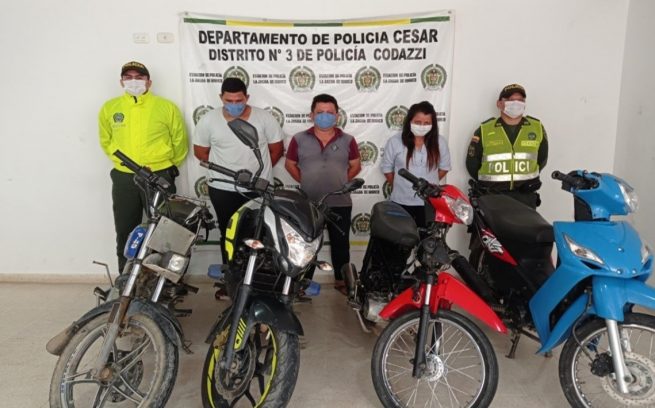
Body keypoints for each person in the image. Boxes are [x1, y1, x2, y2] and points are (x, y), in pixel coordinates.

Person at [99, 61, 188, 272]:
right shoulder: (110, 108)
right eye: (128, 77)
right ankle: (126, 276)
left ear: (149, 81)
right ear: (121, 81)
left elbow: (180, 141)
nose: (133, 81)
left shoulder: (166, 107)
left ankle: (165, 280)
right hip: (125, 177)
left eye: (138, 77)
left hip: (159, 175)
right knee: (126, 229)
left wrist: (165, 165)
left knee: (165, 230)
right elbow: (106, 141)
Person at [193, 77, 284, 263]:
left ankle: (253, 281)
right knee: (228, 233)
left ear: (247, 97)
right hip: (222, 188)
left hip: (258, 188)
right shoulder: (208, 120)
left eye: (239, 100)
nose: (234, 105)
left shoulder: (264, 118)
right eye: (229, 101)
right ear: (221, 97)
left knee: (256, 235)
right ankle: (229, 280)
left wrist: (257, 175)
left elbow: (276, 150)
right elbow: (201, 153)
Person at [285, 94, 361, 295]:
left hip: (340, 202)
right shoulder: (299, 139)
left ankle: (342, 283)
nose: (325, 116)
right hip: (309, 203)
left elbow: (355, 166)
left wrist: (342, 183)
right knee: (308, 244)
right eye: (320, 113)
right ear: (311, 115)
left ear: (337, 115)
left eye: (329, 113)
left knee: (341, 245)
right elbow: (290, 164)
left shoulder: (348, 140)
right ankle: (303, 284)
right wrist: (305, 181)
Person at [466, 84, 548, 208]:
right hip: (492, 197)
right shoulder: (484, 129)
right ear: (499, 104)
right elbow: (472, 164)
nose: (516, 103)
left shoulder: (537, 128)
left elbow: (542, 159)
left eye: (520, 100)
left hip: (525, 197)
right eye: (510, 100)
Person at [381, 101, 451, 229]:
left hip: (429, 203)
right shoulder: (395, 141)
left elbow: (444, 168)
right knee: (400, 243)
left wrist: (427, 187)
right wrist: (401, 185)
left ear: (433, 124)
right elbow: (387, 169)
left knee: (427, 242)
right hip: (401, 202)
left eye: (426, 123)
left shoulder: (440, 142)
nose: (422, 126)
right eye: (418, 122)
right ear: (409, 121)